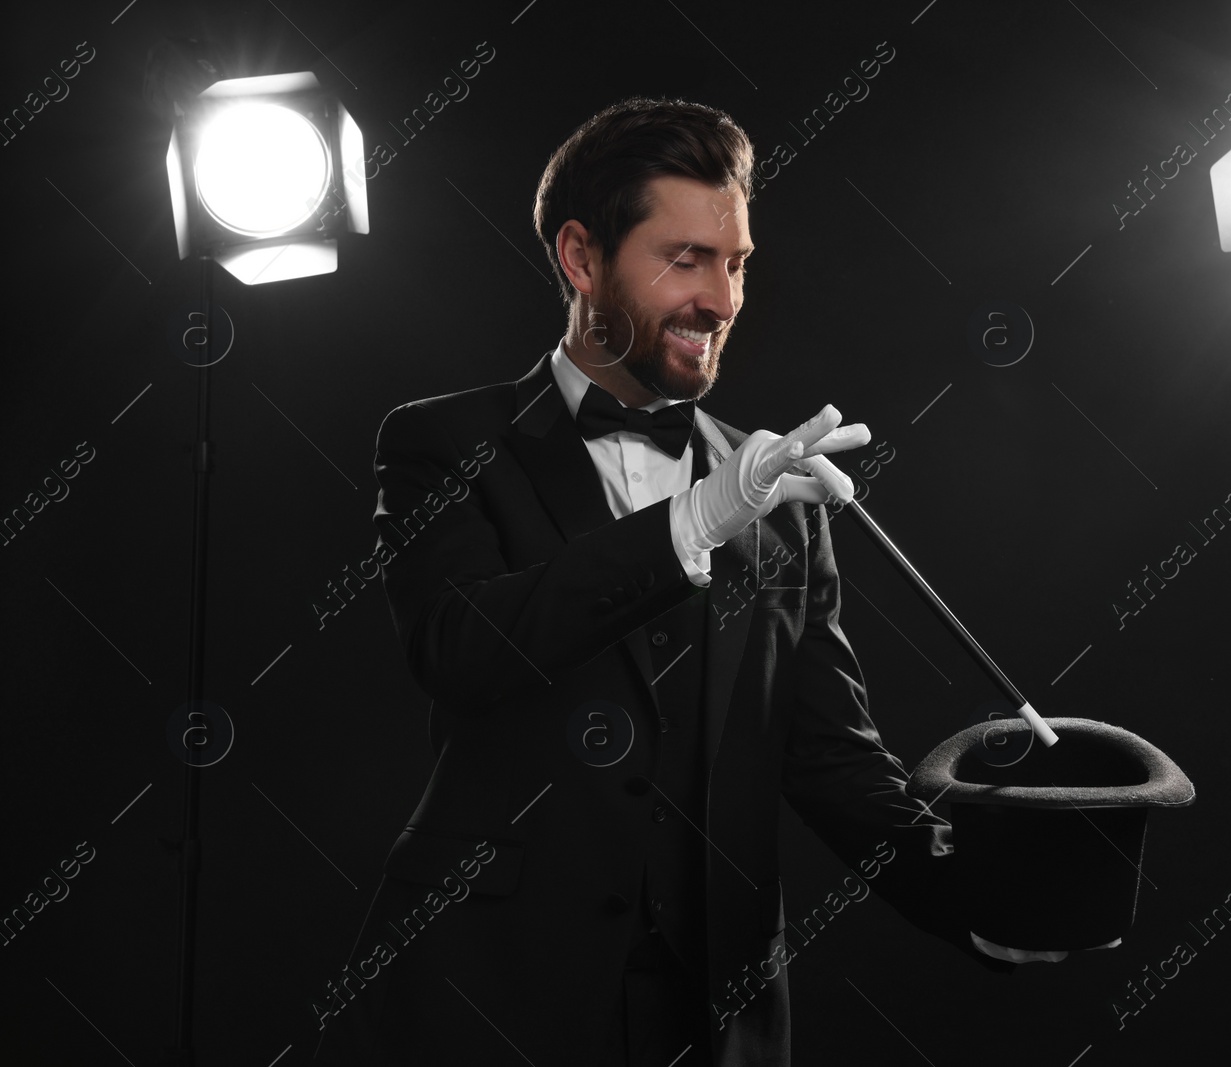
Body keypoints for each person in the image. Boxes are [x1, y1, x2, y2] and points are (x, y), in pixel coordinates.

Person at [312, 96, 1053, 1067]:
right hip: (489, 996)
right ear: (581, 257)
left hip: (716, 1008)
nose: (721, 298)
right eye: (685, 258)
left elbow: (828, 755)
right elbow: (464, 650)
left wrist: (974, 899)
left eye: (734, 260)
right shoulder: (442, 442)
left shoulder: (779, 488)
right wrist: (695, 520)